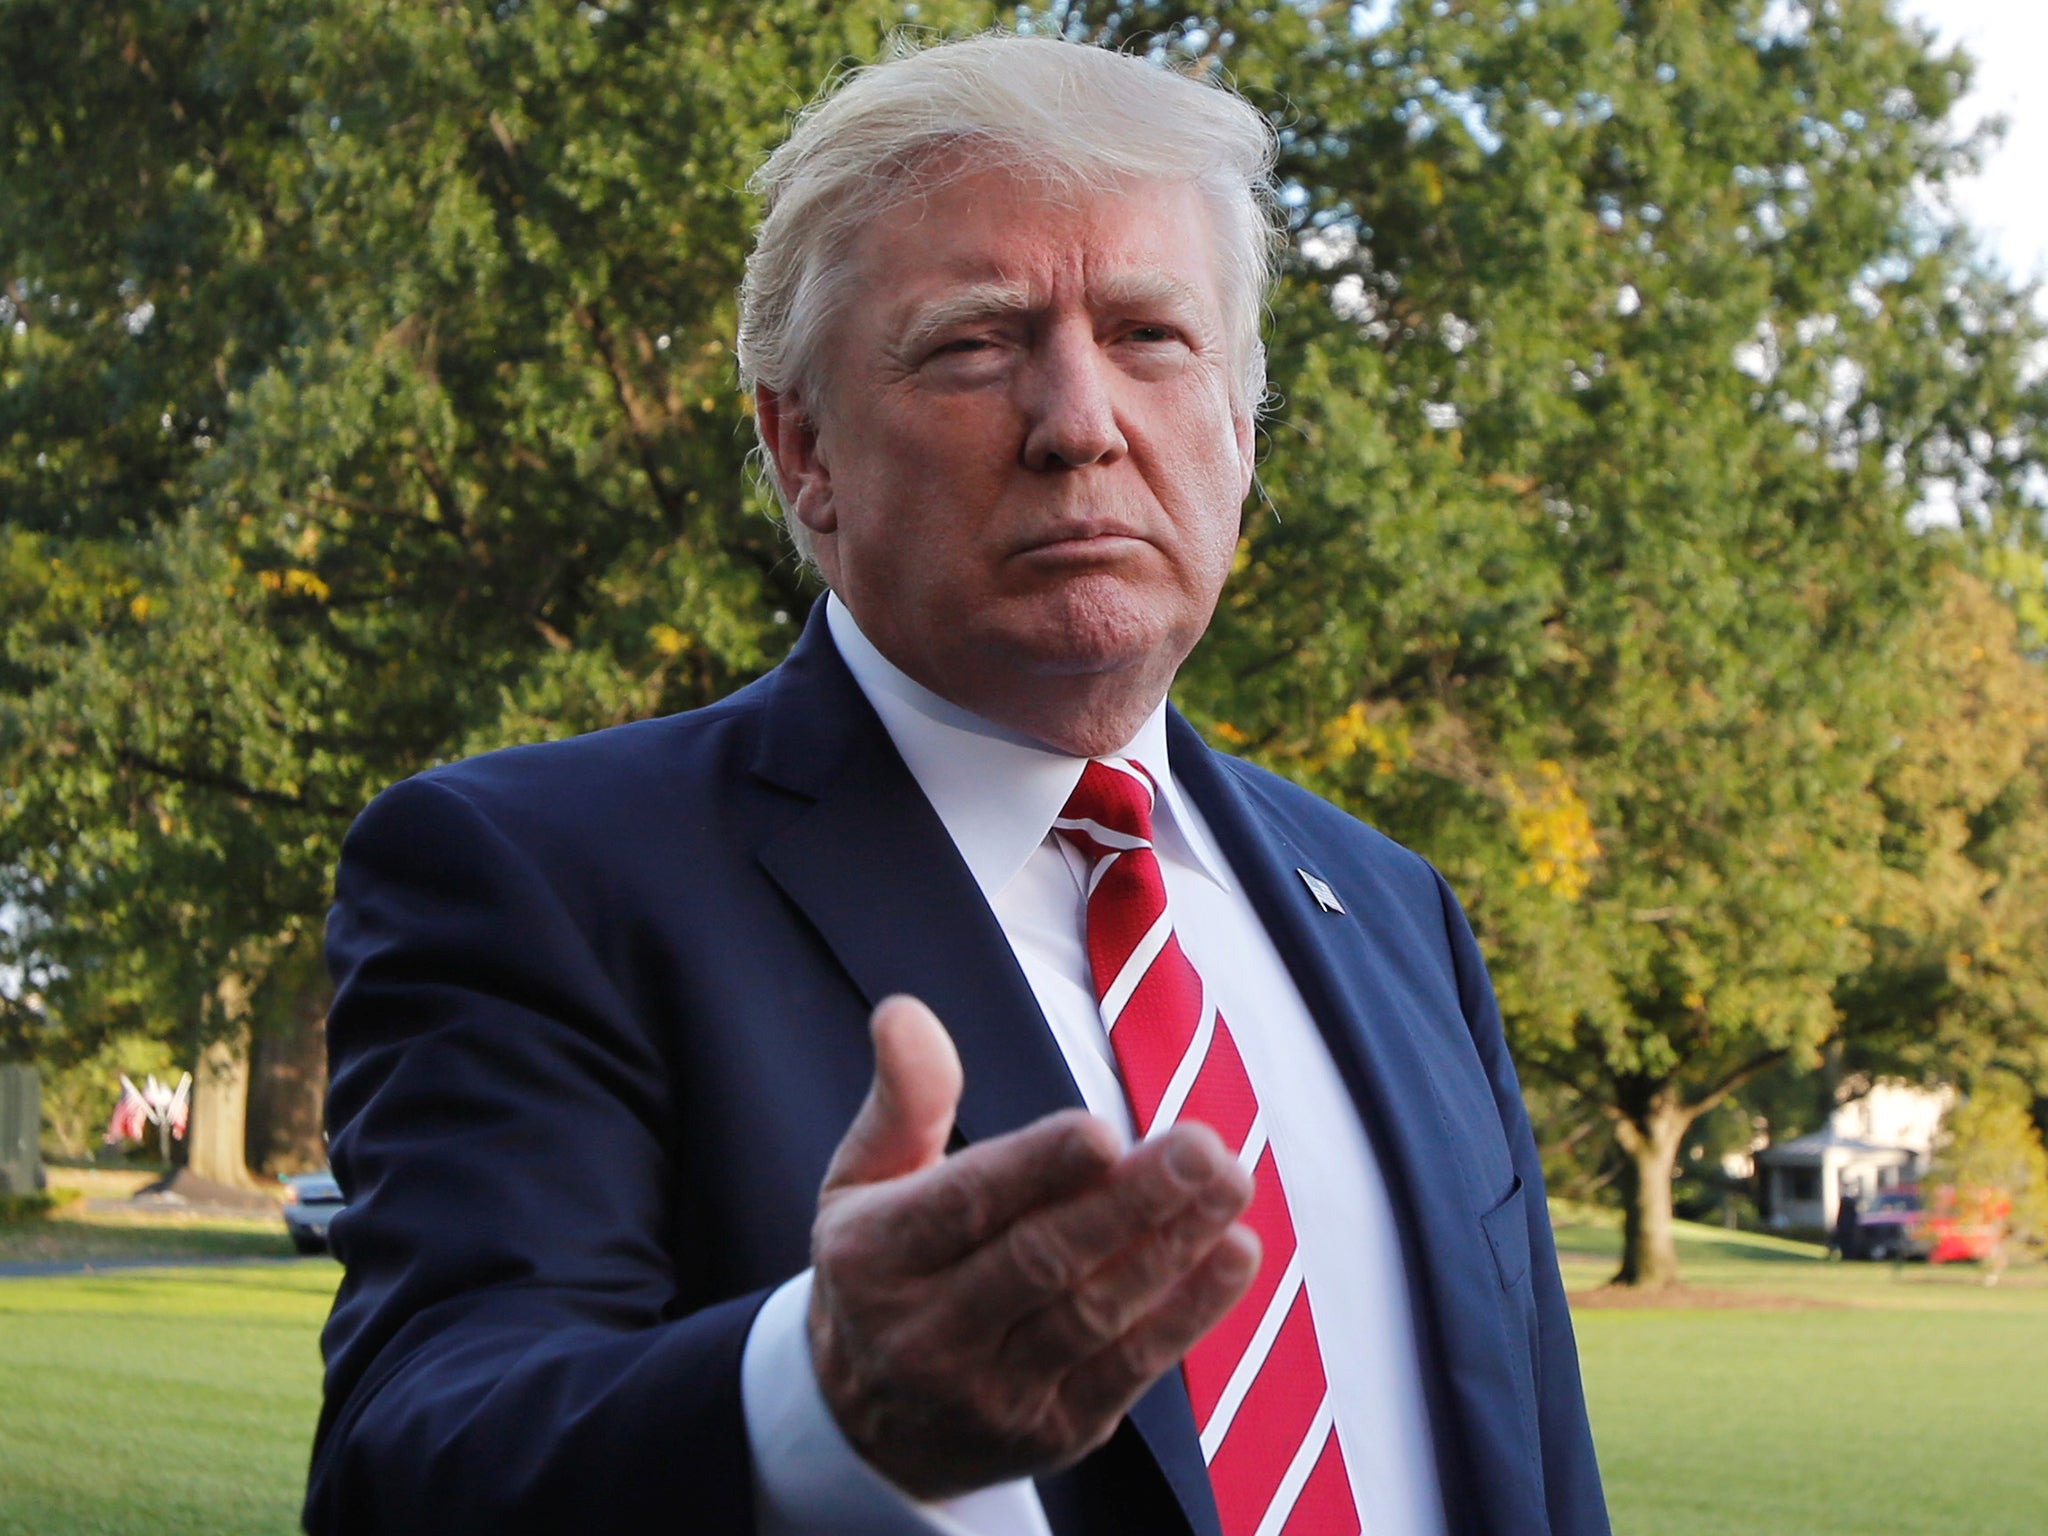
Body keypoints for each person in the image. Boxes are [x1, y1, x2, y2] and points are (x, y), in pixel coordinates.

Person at [306, 33, 1608, 1536]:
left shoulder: (1395, 913)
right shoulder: (532, 877)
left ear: (1242, 432)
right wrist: (819, 1405)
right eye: (976, 341)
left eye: (1150, 336)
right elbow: (416, 1464)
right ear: (803, 450)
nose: (1078, 422)